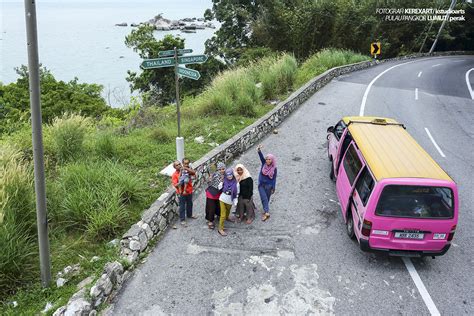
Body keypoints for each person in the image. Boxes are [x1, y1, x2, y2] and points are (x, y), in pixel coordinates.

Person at [171, 158, 197, 227]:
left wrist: (187, 170)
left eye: (179, 164)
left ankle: (189, 215)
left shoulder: (186, 170)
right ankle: (182, 219)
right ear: (175, 167)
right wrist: (180, 183)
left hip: (189, 190)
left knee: (190, 203)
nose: (179, 165)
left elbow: (194, 174)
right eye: (177, 165)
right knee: (182, 206)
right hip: (181, 193)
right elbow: (175, 185)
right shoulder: (174, 175)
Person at [257, 144, 277, 221]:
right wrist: (259, 150)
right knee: (264, 198)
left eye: (269, 159)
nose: (268, 160)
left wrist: (273, 187)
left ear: (272, 160)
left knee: (267, 199)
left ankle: (265, 208)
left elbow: (274, 178)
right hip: (261, 185)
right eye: (267, 159)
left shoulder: (274, 168)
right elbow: (261, 156)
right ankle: (266, 212)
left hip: (269, 186)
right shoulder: (263, 164)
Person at [205, 162, 226, 229]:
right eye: (220, 169)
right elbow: (209, 182)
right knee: (211, 208)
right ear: (217, 170)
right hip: (211, 193)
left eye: (223, 169)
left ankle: (218, 215)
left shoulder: (225, 175)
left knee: (219, 206)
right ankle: (210, 221)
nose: (222, 170)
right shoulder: (215, 175)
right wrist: (210, 178)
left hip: (219, 194)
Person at [218, 169, 238, 236]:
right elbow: (219, 188)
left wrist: (235, 202)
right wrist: (221, 183)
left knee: (227, 212)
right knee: (223, 215)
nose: (229, 176)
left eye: (231, 174)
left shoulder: (236, 183)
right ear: (226, 175)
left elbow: (236, 193)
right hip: (222, 199)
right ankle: (220, 229)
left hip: (230, 200)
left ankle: (227, 218)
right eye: (228, 175)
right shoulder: (224, 181)